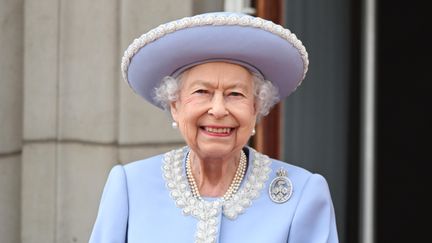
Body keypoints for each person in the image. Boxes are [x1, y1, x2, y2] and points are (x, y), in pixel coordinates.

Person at [89, 11, 339, 243]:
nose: (218, 110)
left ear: (256, 108)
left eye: (235, 94)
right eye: (202, 92)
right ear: (175, 105)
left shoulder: (302, 194)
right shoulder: (130, 186)